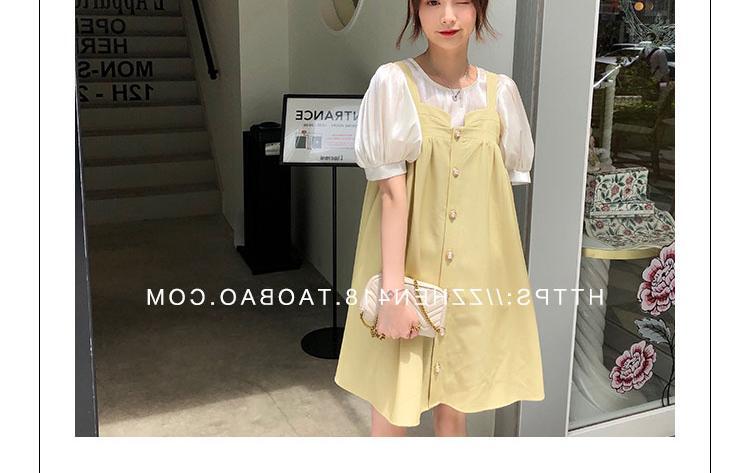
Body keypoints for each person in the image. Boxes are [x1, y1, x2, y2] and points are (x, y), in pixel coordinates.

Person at [334, 0, 545, 437]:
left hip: (472, 280)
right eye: (432, 2)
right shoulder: (394, 84)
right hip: (406, 272)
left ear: (479, 9)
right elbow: (391, 194)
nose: (447, 15)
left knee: (455, 413)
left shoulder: (501, 94)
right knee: (392, 407)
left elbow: (494, 203)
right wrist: (393, 294)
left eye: (461, 1)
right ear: (415, 9)